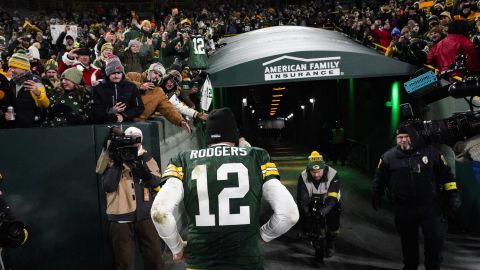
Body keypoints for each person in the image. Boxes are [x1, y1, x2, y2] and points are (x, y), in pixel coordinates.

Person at [151, 107, 299, 269]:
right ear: (234, 133)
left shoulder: (183, 160)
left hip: (201, 261)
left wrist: (177, 247)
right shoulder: (257, 156)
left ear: (207, 135)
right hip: (245, 261)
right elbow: (289, 214)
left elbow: (159, 212)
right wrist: (263, 236)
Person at [372, 123, 461, 270]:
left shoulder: (432, 153)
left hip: (431, 207)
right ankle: (410, 266)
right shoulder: (388, 157)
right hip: (404, 208)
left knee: (435, 241)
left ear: (414, 137)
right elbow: (380, 178)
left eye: (407, 136)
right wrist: (376, 193)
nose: (403, 140)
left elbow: (447, 177)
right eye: (400, 137)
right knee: (408, 243)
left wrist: (452, 195)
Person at [100, 127, 165, 270]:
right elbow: (108, 186)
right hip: (120, 218)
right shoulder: (110, 158)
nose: (134, 143)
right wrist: (117, 163)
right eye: (130, 139)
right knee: (124, 263)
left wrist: (142, 171)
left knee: (155, 258)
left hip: (145, 215)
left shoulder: (145, 157)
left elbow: (156, 182)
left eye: (137, 139)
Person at [296, 151, 341, 259]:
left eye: (319, 171)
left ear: (324, 168)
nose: (316, 175)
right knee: (304, 213)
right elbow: (302, 200)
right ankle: (306, 230)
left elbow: (333, 197)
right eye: (313, 172)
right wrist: (308, 214)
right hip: (312, 200)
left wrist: (323, 212)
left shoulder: (333, 174)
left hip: (330, 201)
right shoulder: (303, 176)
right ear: (308, 170)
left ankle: (331, 242)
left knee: (333, 217)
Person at [125, 62, 191, 133]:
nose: (156, 76)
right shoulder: (133, 76)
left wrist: (180, 121)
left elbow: (168, 109)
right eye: (155, 73)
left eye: (159, 75)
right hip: (119, 118)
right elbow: (122, 82)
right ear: (149, 71)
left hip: (137, 125)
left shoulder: (158, 92)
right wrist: (139, 86)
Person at [2, 52, 49, 128]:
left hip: (31, 128)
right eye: (10, 67)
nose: (10, 70)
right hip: (16, 126)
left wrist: (38, 93)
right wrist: (6, 115)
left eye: (14, 67)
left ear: (24, 68)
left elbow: (45, 104)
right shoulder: (13, 81)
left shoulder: (34, 81)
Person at [93, 56, 144, 123]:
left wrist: (123, 115)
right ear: (108, 74)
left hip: (127, 123)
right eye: (113, 73)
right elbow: (96, 111)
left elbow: (139, 107)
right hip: (104, 124)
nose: (116, 76)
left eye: (119, 73)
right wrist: (110, 111)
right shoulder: (99, 88)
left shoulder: (131, 87)